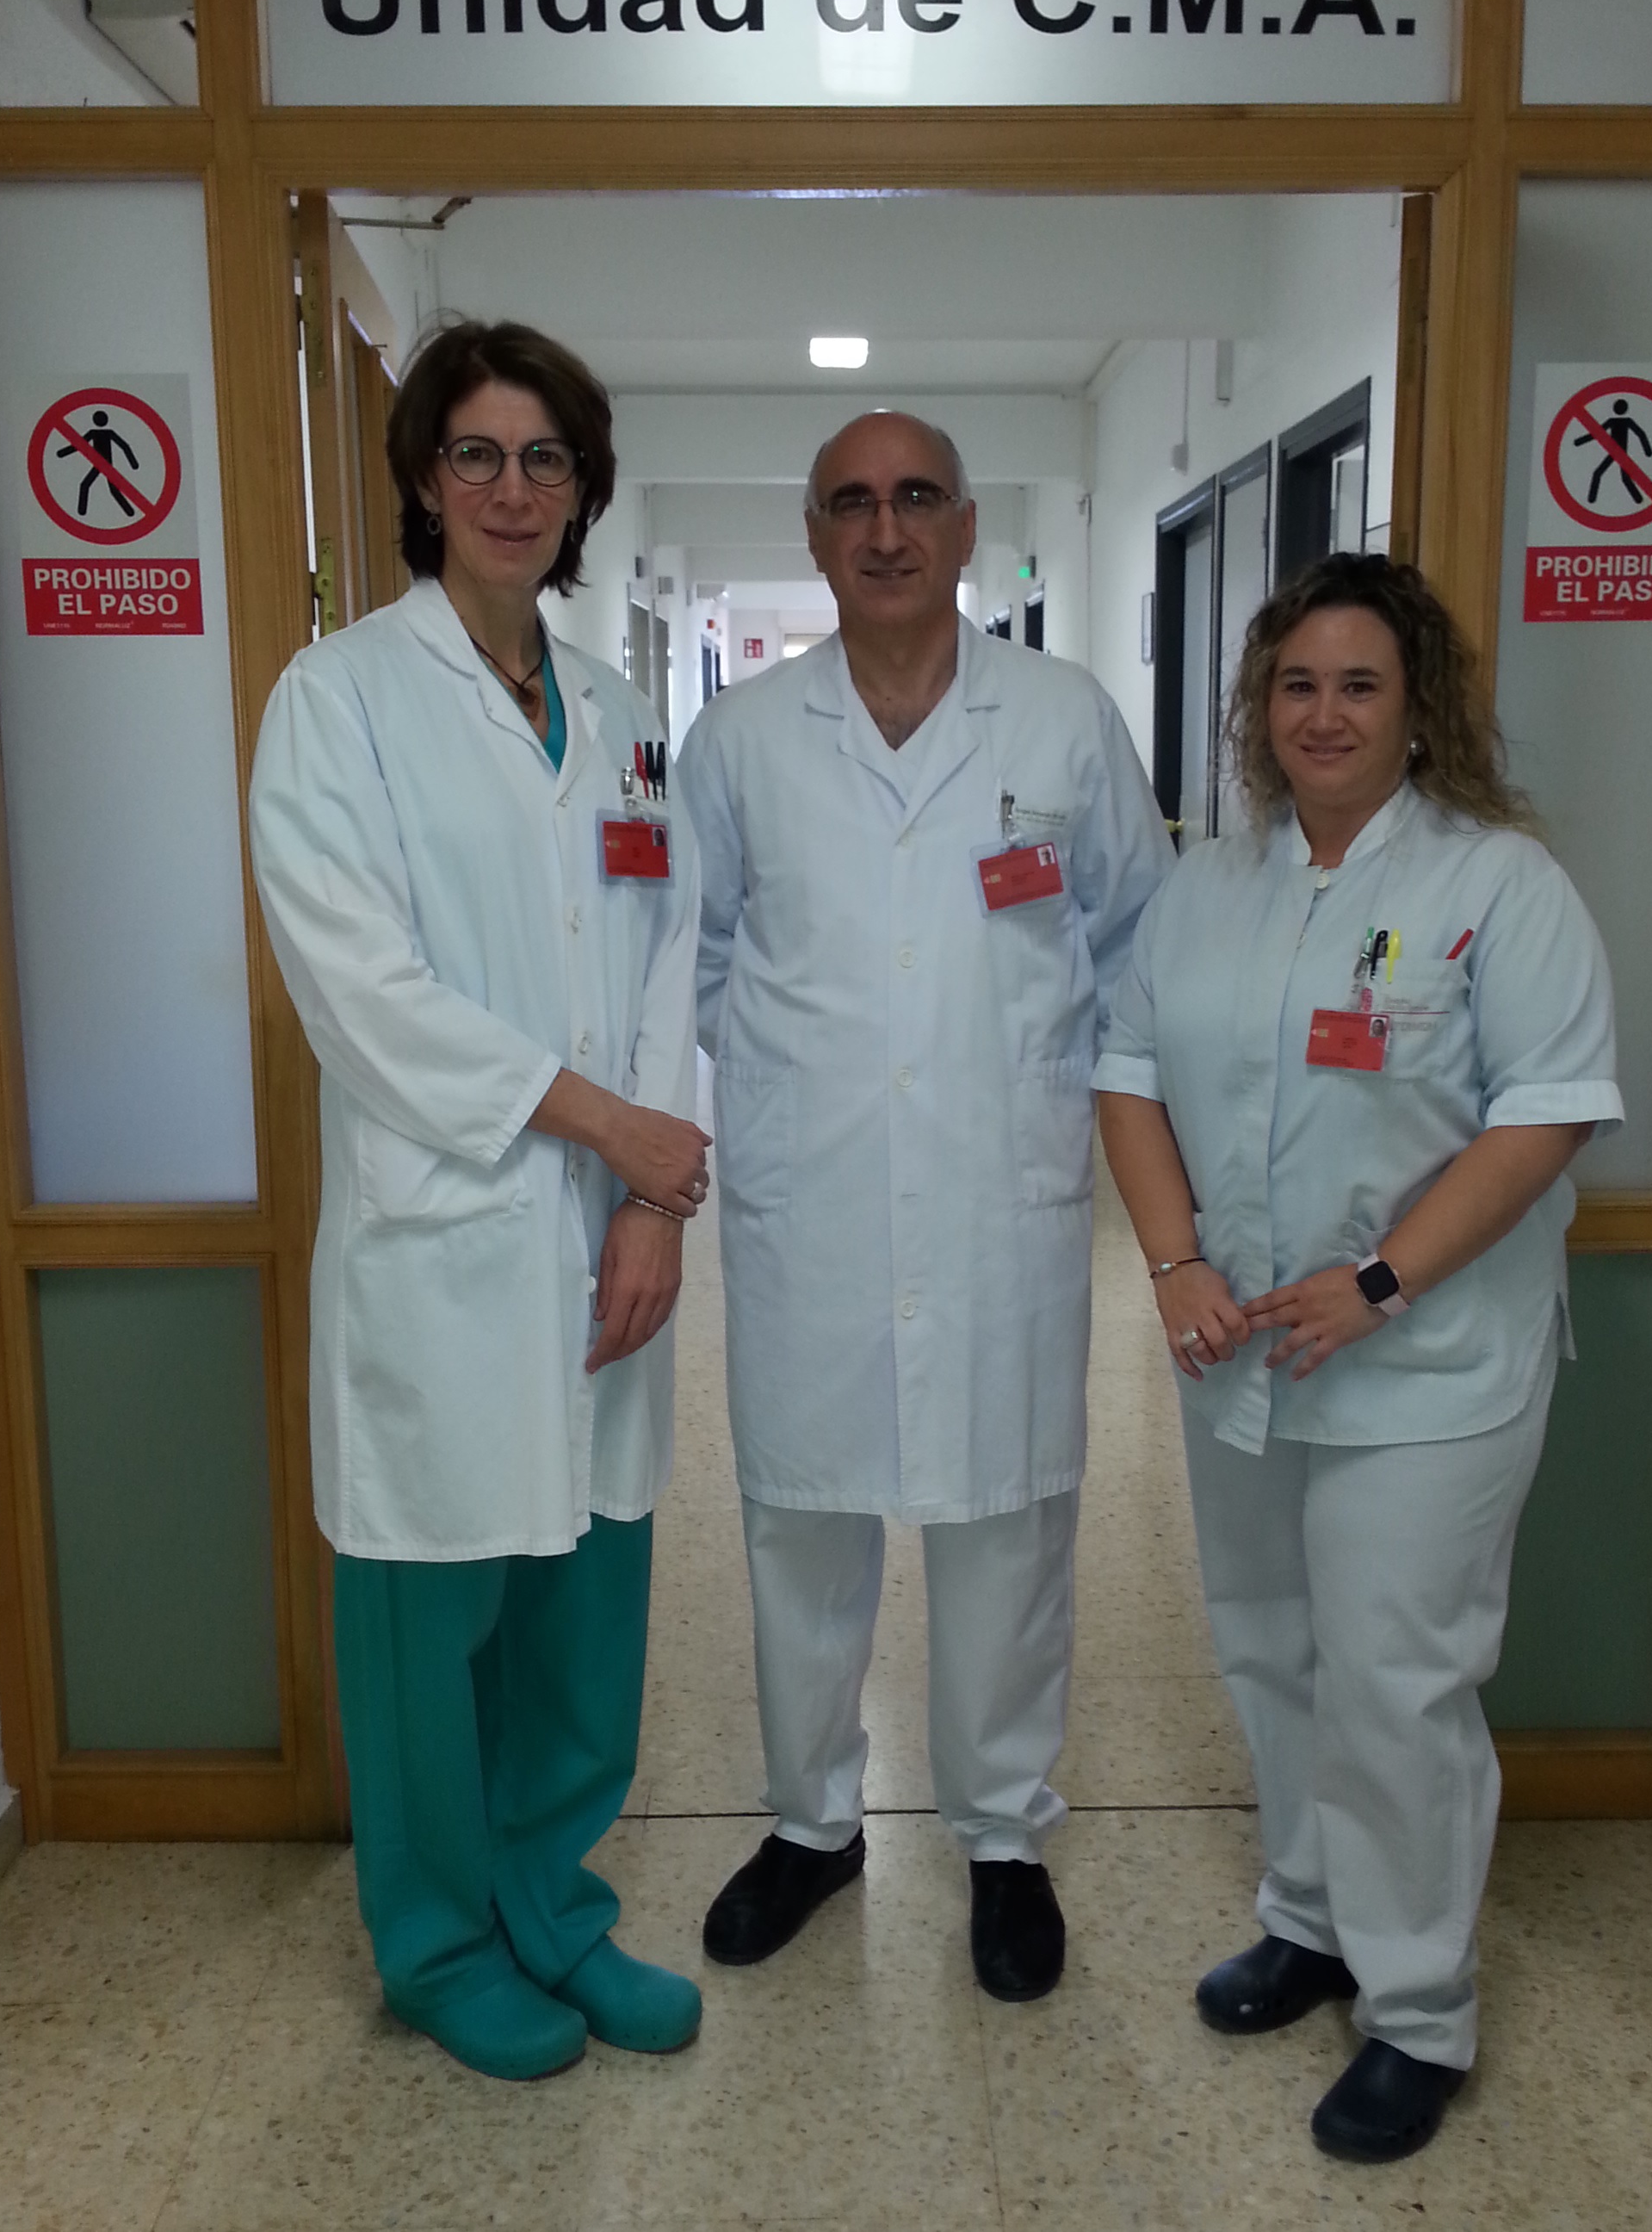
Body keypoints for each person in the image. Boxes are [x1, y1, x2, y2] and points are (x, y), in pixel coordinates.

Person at [1096, 555, 1621, 2163]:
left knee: (1396, 1683)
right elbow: (1127, 1069)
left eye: (1360, 686)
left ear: (1418, 711)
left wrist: (1381, 1282)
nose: (1322, 714)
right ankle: (1310, 1920)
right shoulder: (1211, 885)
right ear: (1261, 707)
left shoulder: (1498, 886)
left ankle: (1418, 2011)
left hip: (1428, 1368)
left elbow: (1547, 1114)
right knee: (1271, 1649)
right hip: (1243, 1351)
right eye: (1296, 684)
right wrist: (1176, 1262)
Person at [247, 318, 711, 2082]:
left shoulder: (621, 719)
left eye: (546, 459)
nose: (513, 490)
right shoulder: (339, 700)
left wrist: (653, 1201)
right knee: (430, 1627)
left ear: (583, 490)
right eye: (477, 455)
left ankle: (556, 1911)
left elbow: (667, 961)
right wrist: (604, 1130)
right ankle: (441, 1945)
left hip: (607, 1235)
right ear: (424, 483)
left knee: (585, 1609)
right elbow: (361, 990)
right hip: (446, 1243)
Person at [677, 411, 1175, 2001]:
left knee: (1005, 1527)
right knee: (801, 1527)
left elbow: (1137, 941)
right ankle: (813, 1823)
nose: (884, 530)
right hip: (810, 1201)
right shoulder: (742, 740)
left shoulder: (1066, 720)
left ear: (966, 530)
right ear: (815, 538)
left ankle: (1005, 1841)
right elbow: (695, 957)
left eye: (915, 500)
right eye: (852, 503)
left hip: (995, 1200)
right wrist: (794, 1082)